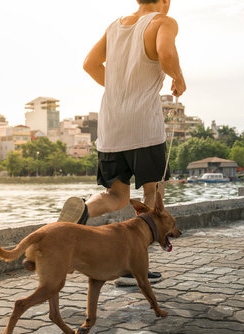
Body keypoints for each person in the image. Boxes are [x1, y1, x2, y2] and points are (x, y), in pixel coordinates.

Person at [57, 0, 186, 286]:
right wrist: (178, 77)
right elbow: (165, 53)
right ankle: (133, 269)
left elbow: (89, 64)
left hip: (111, 124)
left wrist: (119, 86)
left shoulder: (115, 26)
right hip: (143, 127)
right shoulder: (163, 22)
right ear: (165, 1)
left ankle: (84, 209)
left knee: (116, 196)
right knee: (153, 194)